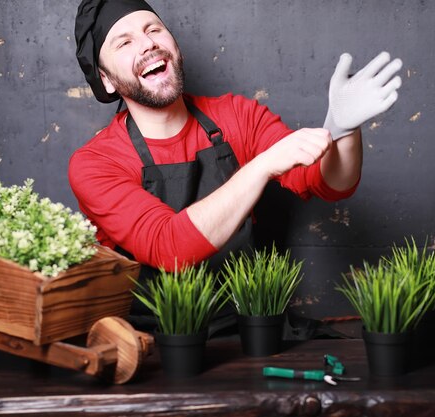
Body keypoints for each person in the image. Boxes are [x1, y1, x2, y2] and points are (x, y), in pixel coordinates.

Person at [71, 0, 402, 330]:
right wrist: (261, 166)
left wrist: (343, 130)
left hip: (249, 327)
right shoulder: (96, 163)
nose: (148, 44)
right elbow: (167, 246)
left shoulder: (237, 116)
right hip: (155, 343)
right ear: (107, 80)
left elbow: (328, 183)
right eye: (125, 42)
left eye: (153, 29)